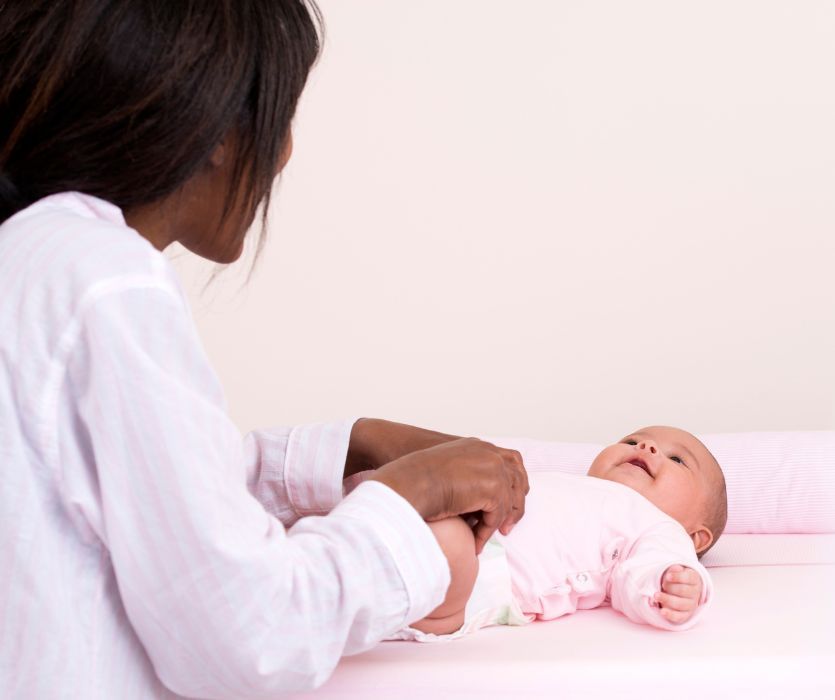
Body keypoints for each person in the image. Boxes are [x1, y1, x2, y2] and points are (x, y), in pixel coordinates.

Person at [0, 2, 529, 698]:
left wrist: (344, 449)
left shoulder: (36, 258)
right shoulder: (106, 280)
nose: (282, 152)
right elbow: (251, 643)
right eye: (280, 115)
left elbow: (121, 497)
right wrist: (415, 492)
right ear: (215, 125)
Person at [386, 426, 727, 641]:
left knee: (442, 542)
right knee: (409, 503)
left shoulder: (659, 525)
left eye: (678, 460)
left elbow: (645, 570)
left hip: (486, 571)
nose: (646, 447)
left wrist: (669, 584)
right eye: (632, 440)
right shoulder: (572, 484)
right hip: (467, 525)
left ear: (696, 536)